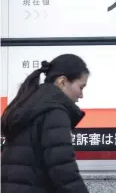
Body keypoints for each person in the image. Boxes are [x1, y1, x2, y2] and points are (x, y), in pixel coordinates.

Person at [1, 54, 90, 193]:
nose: (81, 95)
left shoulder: (29, 104)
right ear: (62, 82)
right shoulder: (54, 111)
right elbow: (63, 168)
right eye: (81, 87)